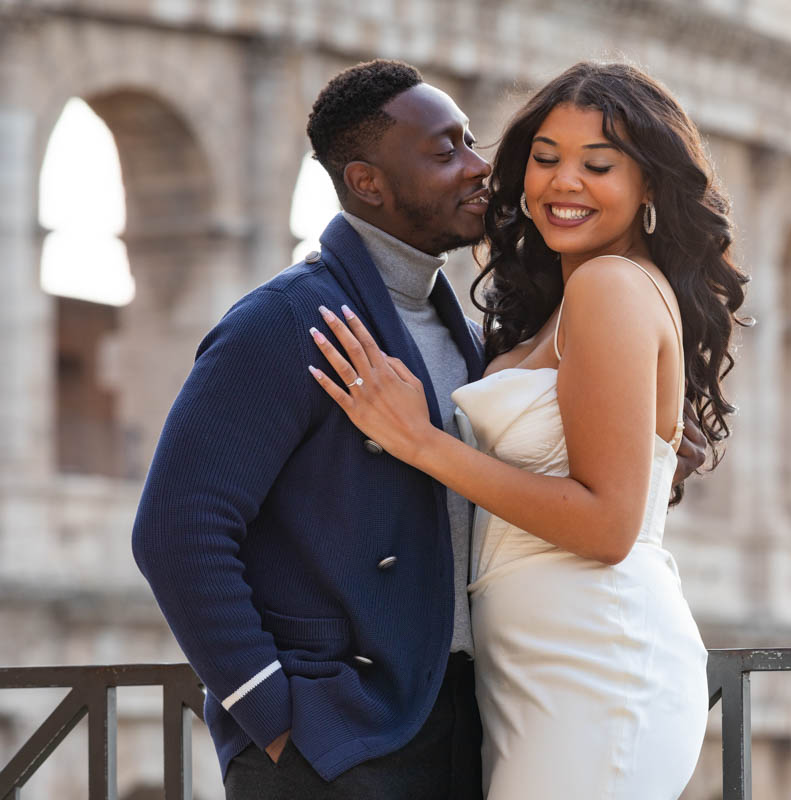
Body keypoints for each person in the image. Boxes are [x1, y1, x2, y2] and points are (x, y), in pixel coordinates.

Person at [131, 58, 707, 798]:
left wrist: (651, 450)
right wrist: (269, 711)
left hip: (470, 713)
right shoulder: (286, 321)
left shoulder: (471, 337)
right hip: (338, 731)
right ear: (368, 182)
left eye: (472, 141)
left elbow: (546, 493)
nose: (479, 168)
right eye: (445, 152)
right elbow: (178, 527)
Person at [307, 61, 748, 798]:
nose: (562, 182)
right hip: (537, 666)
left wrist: (420, 441)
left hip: (595, 661)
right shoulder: (570, 299)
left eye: (598, 165)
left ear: (650, 188)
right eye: (544, 159)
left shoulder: (610, 285)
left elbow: (606, 526)